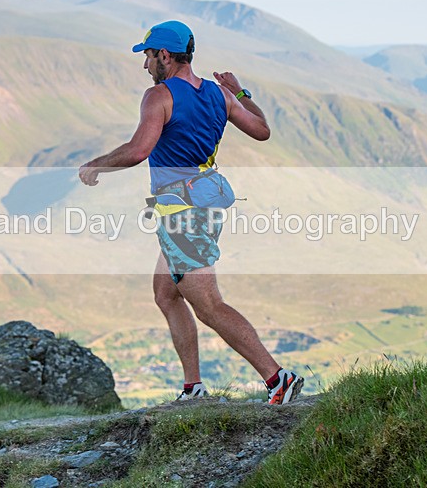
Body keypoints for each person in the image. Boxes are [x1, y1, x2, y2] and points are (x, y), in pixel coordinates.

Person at [78, 20, 303, 405]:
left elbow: (138, 150)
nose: (146, 65)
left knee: (208, 304)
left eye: (148, 56)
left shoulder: (160, 97)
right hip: (204, 202)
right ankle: (193, 387)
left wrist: (95, 165)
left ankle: (276, 377)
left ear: (164, 55)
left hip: (182, 212)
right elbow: (262, 130)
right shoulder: (221, 95)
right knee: (166, 292)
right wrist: (241, 92)